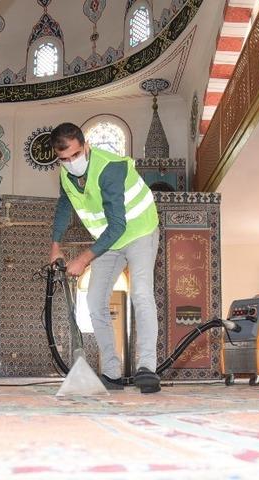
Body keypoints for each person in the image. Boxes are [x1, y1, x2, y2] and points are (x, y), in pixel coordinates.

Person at [48, 122, 162, 394]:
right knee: (94, 299)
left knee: (141, 294)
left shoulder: (110, 167)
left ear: (85, 146)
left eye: (75, 155)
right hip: (109, 240)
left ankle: (147, 368)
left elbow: (118, 225)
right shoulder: (65, 174)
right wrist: (55, 245)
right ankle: (111, 371)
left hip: (139, 231)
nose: (71, 162)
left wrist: (83, 259)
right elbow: (65, 204)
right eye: (63, 159)